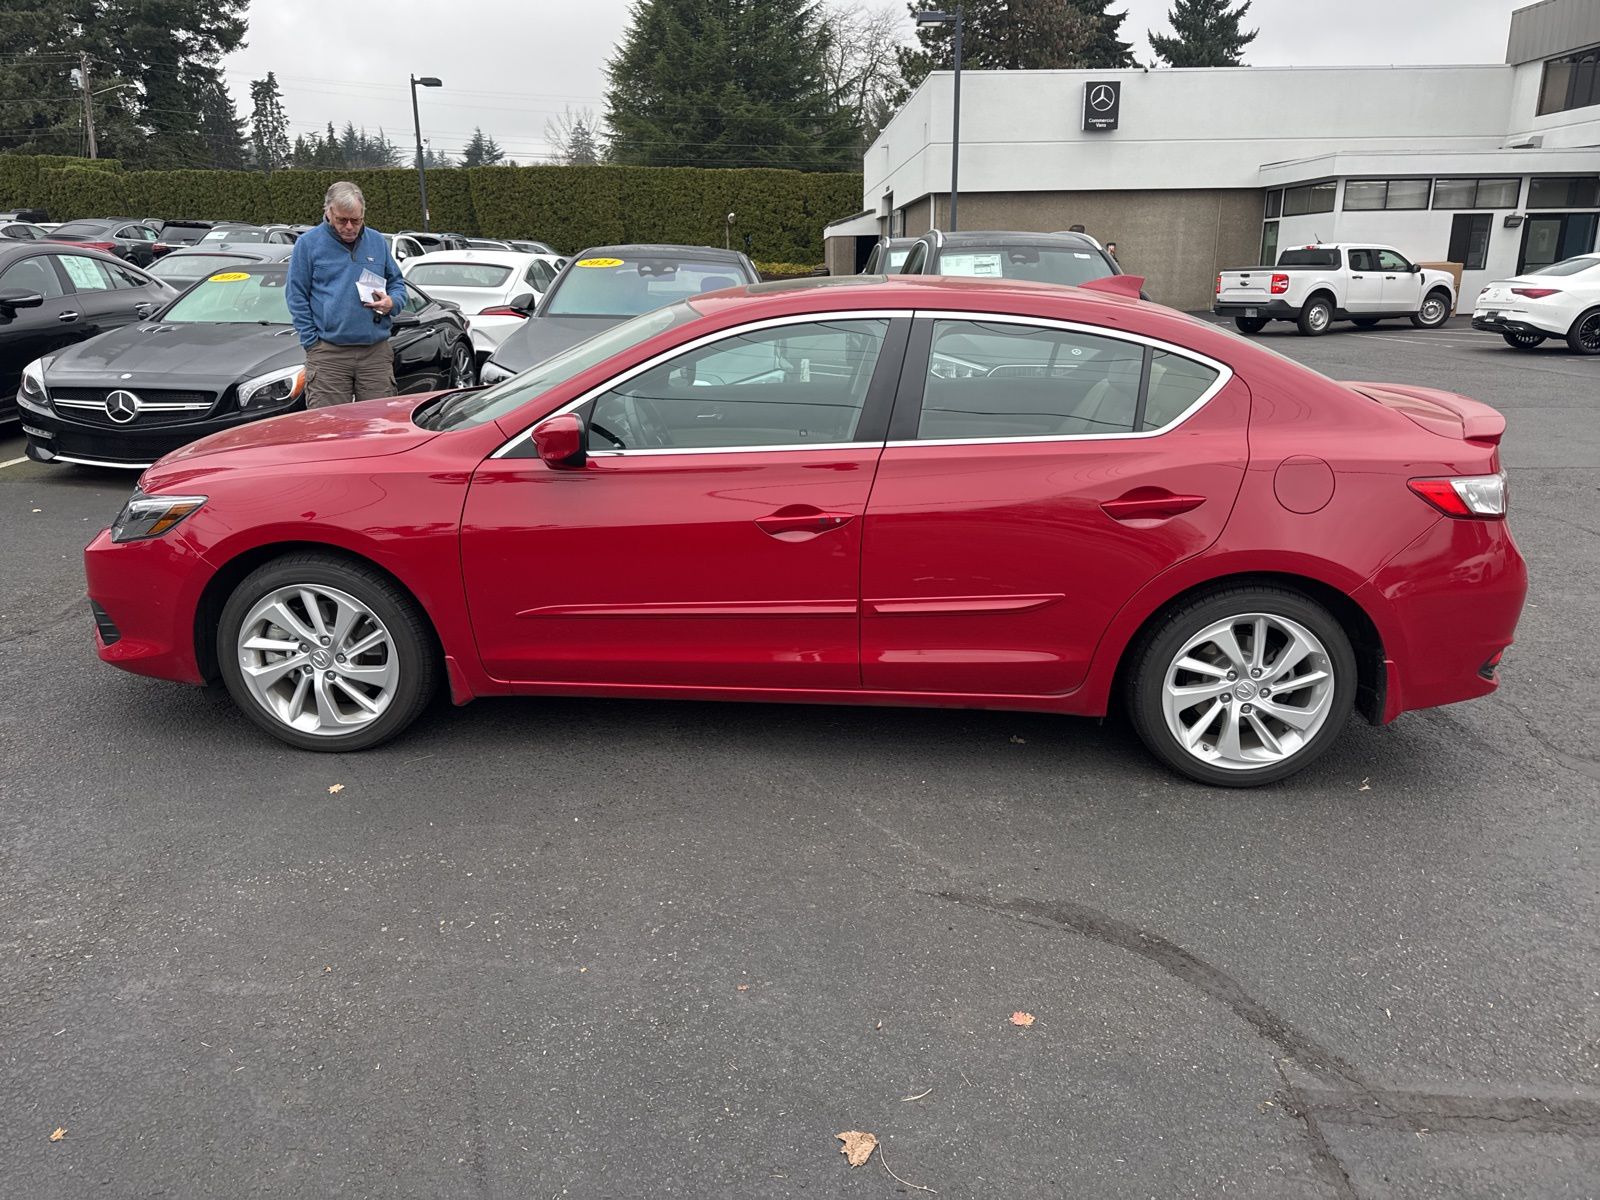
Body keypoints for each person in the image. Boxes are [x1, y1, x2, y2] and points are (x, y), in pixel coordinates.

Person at [286, 181, 407, 408]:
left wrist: (393, 302)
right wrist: (312, 342)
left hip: (375, 353)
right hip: (329, 355)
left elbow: (397, 283)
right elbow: (296, 296)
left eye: (357, 220)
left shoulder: (377, 242)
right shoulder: (308, 244)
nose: (350, 227)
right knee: (329, 428)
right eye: (343, 220)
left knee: (379, 425)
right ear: (328, 212)